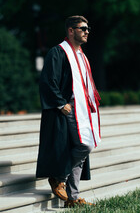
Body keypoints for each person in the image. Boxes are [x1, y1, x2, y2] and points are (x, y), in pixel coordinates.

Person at [36, 15, 101, 208]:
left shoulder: (82, 55)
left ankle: (73, 198)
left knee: (82, 148)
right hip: (69, 108)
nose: (87, 31)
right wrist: (60, 103)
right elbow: (48, 81)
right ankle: (58, 176)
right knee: (84, 146)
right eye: (83, 28)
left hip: (83, 109)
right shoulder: (58, 52)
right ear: (71, 30)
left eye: (88, 28)